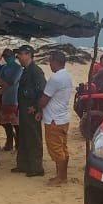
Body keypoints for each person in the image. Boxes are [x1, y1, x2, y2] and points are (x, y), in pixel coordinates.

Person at [36, 51, 74, 186]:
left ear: (54, 62)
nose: (49, 64)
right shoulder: (67, 76)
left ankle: (61, 177)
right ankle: (62, 176)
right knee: (63, 148)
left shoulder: (55, 78)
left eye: (50, 61)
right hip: (62, 117)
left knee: (56, 149)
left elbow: (45, 99)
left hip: (54, 119)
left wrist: (37, 108)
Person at [12, 45, 47, 177]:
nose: (18, 57)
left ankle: (36, 167)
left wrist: (37, 108)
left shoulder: (36, 71)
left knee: (33, 137)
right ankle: (24, 165)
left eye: (20, 54)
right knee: (24, 137)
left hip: (31, 111)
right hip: (24, 109)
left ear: (28, 54)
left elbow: (42, 91)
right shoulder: (26, 70)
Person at [0, 48, 23, 151]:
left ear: (13, 56)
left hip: (14, 99)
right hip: (4, 98)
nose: (7, 58)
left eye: (8, 56)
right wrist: (2, 83)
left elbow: (12, 81)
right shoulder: (4, 68)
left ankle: (18, 144)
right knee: (5, 123)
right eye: (5, 56)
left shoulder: (18, 68)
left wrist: (3, 82)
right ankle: (9, 142)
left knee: (16, 125)